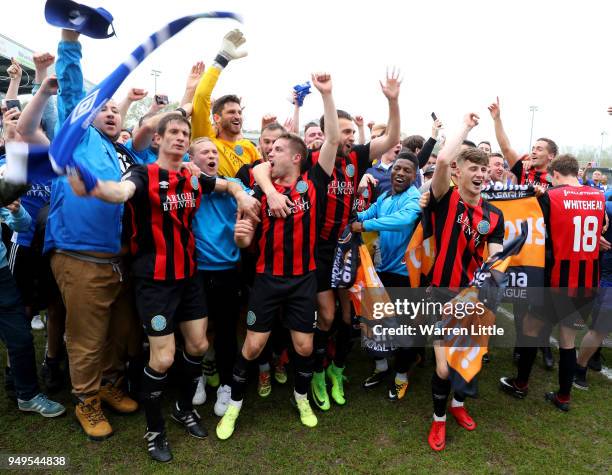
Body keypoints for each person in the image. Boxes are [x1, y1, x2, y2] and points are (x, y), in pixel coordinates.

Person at [69, 113, 259, 461]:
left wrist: (240, 195)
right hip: (155, 282)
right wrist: (95, 186)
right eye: (172, 132)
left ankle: (183, 408)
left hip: (189, 277)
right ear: (157, 139)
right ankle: (155, 431)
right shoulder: (142, 174)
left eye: (184, 133)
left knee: (199, 345)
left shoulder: (191, 176)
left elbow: (226, 184)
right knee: (164, 357)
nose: (179, 137)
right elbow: (120, 191)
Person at [215, 72, 339, 441]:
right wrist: (242, 236)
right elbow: (245, 236)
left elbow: (332, 138)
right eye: (269, 151)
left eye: (278, 150)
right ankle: (235, 404)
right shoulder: (258, 187)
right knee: (253, 346)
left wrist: (326, 94)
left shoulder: (314, 182)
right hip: (267, 280)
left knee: (304, 345)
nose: (270, 153)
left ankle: (301, 397)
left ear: (298, 157)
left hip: (303, 279)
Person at [45, 29, 140, 441]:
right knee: (87, 338)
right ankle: (86, 400)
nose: (110, 113)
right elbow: (71, 88)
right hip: (79, 257)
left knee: (121, 334)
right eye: (101, 109)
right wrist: (70, 38)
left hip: (116, 260)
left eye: (115, 111)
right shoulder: (78, 135)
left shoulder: (117, 151)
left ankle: (108, 384)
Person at [500, 154, 605, 412]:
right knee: (568, 339)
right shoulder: (599, 196)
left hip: (559, 280)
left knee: (530, 327)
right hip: (588, 280)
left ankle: (521, 384)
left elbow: (530, 223)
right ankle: (564, 397)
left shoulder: (552, 196)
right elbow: (601, 226)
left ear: (555, 174)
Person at [426, 113, 504, 451]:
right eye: (473, 168)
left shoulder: (494, 215)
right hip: (441, 292)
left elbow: (498, 254)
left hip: (472, 297)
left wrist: (494, 276)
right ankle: (438, 421)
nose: (480, 174)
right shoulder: (445, 197)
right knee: (444, 369)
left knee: (469, 361)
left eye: (484, 169)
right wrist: (467, 128)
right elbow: (442, 158)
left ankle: (457, 406)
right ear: (458, 173)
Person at [489, 96, 556, 369]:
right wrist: (497, 119)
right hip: (520, 245)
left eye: (539, 148)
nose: (534, 151)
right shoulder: (524, 170)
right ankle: (522, 346)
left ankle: (543, 346)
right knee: (520, 298)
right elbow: (505, 147)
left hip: (545, 247)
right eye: (533, 147)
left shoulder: (555, 179)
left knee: (542, 301)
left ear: (551, 156)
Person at [351, 153, 421, 399]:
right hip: (379, 272)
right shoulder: (385, 196)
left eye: (406, 170)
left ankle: (401, 376)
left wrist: (366, 226)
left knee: (406, 330)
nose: (400, 173)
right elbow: (367, 214)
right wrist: (350, 217)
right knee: (375, 324)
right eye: (397, 168)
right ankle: (381, 368)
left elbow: (405, 220)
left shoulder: (414, 198)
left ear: (415, 176)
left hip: (404, 275)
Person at [0, 198, 65, 418]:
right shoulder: (9, 165)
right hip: (15, 259)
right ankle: (17, 382)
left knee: (22, 333)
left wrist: (16, 211)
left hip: (4, 271)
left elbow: (22, 223)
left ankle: (28, 393)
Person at [191, 30, 259, 177]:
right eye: (231, 112)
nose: (237, 116)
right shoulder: (207, 140)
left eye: (239, 112)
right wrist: (222, 59)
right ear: (216, 118)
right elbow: (201, 96)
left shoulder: (249, 147)